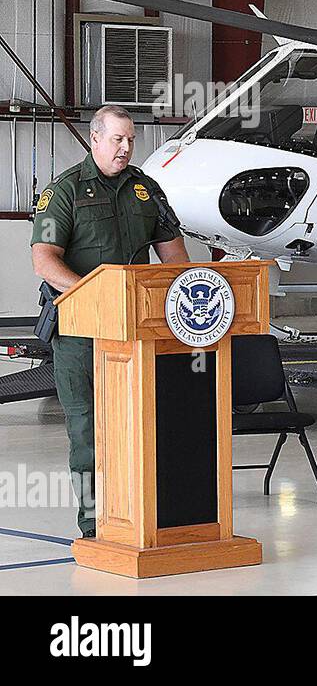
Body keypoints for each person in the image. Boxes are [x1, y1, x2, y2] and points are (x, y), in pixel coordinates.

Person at [30, 105, 190, 537]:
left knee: (145, 426)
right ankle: (94, 523)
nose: (125, 148)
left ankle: (143, 514)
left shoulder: (146, 189)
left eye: (131, 140)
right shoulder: (64, 190)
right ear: (95, 138)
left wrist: (183, 298)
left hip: (139, 331)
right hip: (82, 333)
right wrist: (94, 294)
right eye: (117, 139)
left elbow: (174, 256)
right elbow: (44, 260)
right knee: (88, 432)